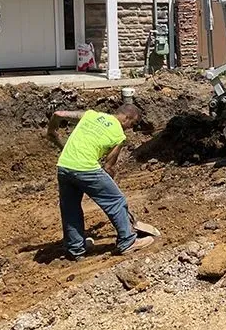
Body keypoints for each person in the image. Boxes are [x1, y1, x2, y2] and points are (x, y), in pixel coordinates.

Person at [47, 104, 154, 259]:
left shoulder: (91, 115)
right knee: (116, 200)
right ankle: (127, 241)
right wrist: (111, 181)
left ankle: (76, 249)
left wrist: (51, 132)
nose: (130, 128)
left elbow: (58, 113)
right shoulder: (118, 134)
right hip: (86, 168)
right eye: (132, 124)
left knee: (70, 208)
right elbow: (108, 166)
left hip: (64, 166)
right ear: (126, 117)